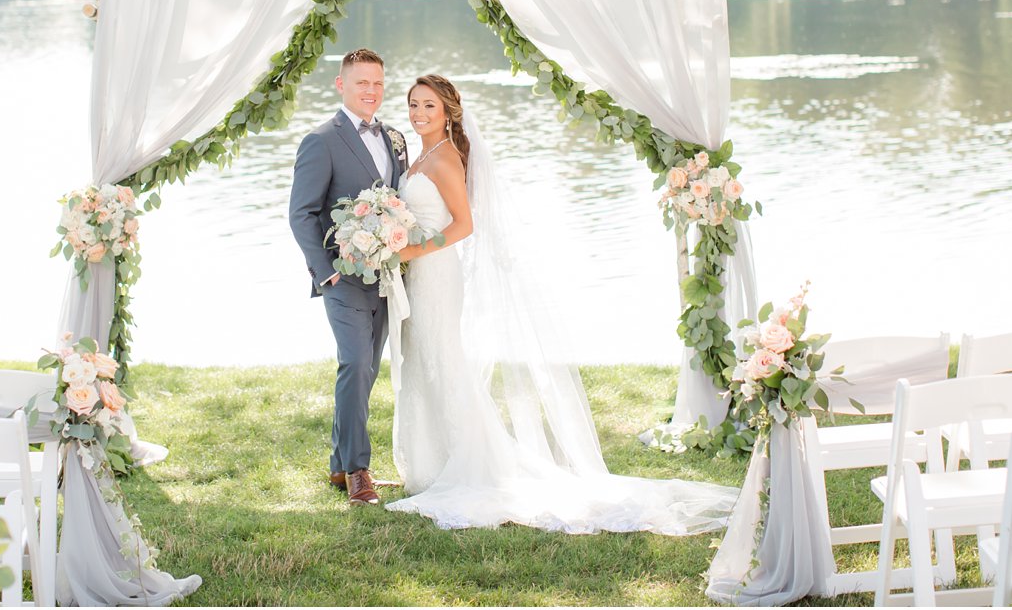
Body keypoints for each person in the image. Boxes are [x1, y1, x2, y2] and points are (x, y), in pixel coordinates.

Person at [384, 74, 737, 534]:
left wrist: (411, 251)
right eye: (413, 105)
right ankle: (431, 465)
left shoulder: (446, 158)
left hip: (436, 273)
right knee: (425, 362)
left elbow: (463, 225)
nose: (418, 114)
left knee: (442, 361)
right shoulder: (423, 154)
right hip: (421, 273)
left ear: (449, 110)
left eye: (428, 106)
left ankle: (464, 465)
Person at [288, 48, 408, 506]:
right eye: (362, 82)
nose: (371, 91)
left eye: (378, 82)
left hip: (386, 277)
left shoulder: (396, 137)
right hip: (343, 277)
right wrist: (326, 274)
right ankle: (359, 470)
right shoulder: (321, 140)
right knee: (356, 364)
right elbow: (303, 214)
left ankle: (339, 467)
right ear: (341, 85)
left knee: (366, 370)